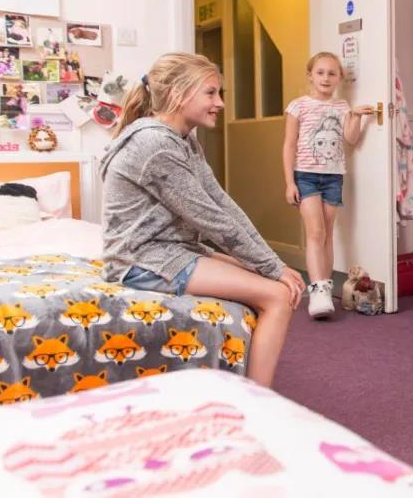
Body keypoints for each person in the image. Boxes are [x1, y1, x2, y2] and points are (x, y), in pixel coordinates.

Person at [101, 52, 305, 387]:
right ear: (179, 95)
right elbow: (210, 220)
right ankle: (259, 401)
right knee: (278, 297)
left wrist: (271, 262)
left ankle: (247, 386)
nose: (220, 103)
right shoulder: (155, 145)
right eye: (210, 93)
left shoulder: (185, 140)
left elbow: (221, 203)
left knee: (266, 274)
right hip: (141, 260)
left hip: (172, 249)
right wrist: (273, 268)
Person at [282, 52, 374, 318]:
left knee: (328, 234)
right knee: (316, 232)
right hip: (305, 175)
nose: (326, 78)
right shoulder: (298, 106)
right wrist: (289, 182)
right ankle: (318, 290)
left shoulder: (342, 106)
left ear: (339, 78)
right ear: (310, 75)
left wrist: (356, 116)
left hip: (333, 176)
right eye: (320, 72)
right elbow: (289, 145)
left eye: (332, 73)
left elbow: (351, 138)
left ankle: (325, 286)